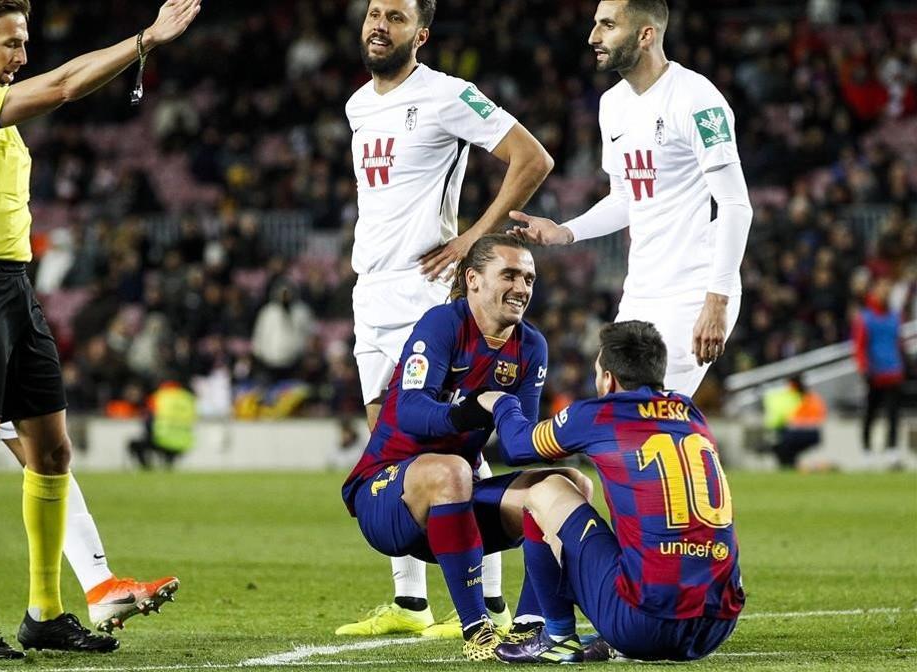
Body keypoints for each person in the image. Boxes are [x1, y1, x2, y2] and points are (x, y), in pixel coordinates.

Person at [0, 0, 200, 658]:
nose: (22, 56)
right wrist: (144, 40)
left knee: (52, 450)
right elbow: (68, 84)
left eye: (24, 43)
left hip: (16, 286)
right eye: (11, 44)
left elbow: (63, 74)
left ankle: (44, 611)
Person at [338, 0, 555, 638]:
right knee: (388, 443)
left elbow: (531, 159)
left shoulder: (447, 95)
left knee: (458, 438)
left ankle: (489, 605)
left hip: (422, 290)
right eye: (375, 13)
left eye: (397, 17)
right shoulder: (356, 105)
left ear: (421, 34)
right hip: (370, 291)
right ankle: (410, 605)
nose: (380, 25)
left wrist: (474, 243)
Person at [342, 235, 586, 662]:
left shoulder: (531, 346)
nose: (522, 287)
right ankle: (478, 632)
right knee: (453, 469)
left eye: (529, 278)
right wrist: (478, 406)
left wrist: (575, 434)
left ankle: (531, 626)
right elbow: (412, 410)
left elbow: (520, 448)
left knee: (570, 484)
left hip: (457, 504)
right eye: (509, 274)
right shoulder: (442, 324)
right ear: (472, 279)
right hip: (387, 495)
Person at [510, 0, 752, 398]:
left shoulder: (697, 100)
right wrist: (565, 231)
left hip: (693, 289)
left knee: (641, 414)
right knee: (612, 400)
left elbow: (736, 205)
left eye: (607, 25)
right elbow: (625, 198)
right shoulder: (613, 105)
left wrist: (716, 302)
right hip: (641, 288)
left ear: (645, 35)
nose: (593, 37)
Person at [477, 321, 744, 663]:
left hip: (641, 625)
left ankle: (557, 637)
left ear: (609, 379)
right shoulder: (691, 414)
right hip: (716, 626)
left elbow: (517, 448)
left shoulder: (600, 414)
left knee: (547, 488)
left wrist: (502, 404)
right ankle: (614, 635)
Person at [853, 276, 905, 462]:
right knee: (871, 412)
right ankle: (866, 449)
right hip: (874, 372)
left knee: (893, 414)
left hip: (894, 371)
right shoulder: (865, 317)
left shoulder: (894, 317)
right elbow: (859, 346)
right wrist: (863, 367)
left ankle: (892, 449)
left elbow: (899, 343)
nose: (885, 292)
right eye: (882, 288)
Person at [128, 380, 197, 470]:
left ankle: (146, 470)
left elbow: (148, 419)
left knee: (135, 444)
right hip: (183, 442)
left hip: (162, 439)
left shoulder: (158, 397)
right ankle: (168, 464)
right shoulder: (187, 398)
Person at [762, 376, 826, 468]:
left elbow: (782, 418)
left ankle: (787, 466)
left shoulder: (792, 397)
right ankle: (791, 465)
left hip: (796, 432)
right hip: (812, 433)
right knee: (786, 448)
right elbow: (821, 415)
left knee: (780, 446)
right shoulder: (812, 397)